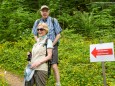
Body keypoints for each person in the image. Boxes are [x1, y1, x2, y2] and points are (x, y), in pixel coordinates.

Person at [32, 5, 62, 86]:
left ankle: (58, 83)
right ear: (40, 12)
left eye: (46, 11)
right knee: (40, 63)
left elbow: (58, 34)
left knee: (54, 65)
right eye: (43, 11)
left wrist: (51, 45)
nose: (44, 12)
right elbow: (34, 34)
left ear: (48, 12)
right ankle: (38, 80)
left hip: (53, 44)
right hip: (41, 46)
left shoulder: (53, 20)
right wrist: (39, 42)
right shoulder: (37, 22)